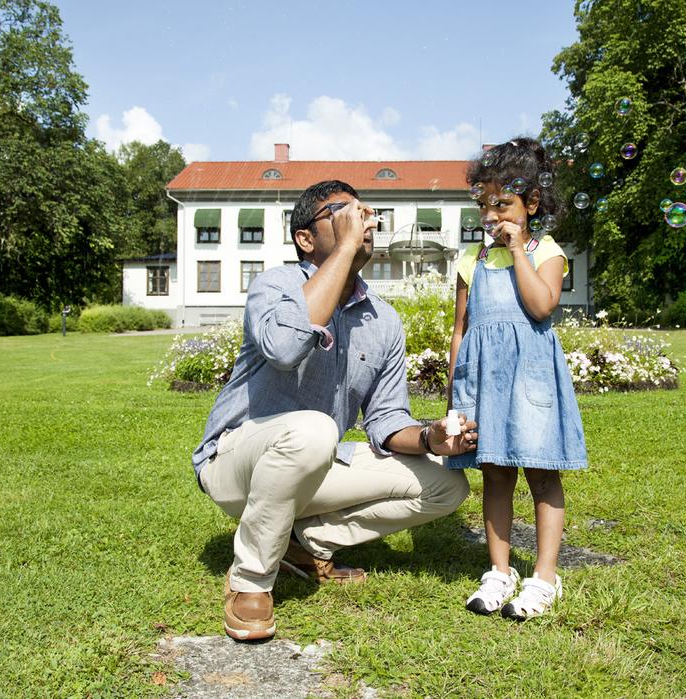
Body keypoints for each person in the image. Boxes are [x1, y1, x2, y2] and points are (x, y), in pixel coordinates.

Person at [193, 180, 476, 641]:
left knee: (445, 485)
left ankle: (306, 544)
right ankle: (250, 581)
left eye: (363, 214)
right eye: (342, 214)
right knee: (315, 430)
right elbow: (285, 347)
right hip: (234, 463)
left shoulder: (383, 319)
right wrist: (344, 251)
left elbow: (386, 420)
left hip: (314, 457)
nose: (361, 222)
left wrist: (430, 439)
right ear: (306, 238)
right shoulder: (276, 285)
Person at [447, 138, 588, 621]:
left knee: (542, 473)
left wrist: (517, 252)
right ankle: (499, 570)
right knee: (495, 470)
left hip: (530, 379)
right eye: (485, 204)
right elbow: (460, 329)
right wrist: (454, 394)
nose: (492, 213)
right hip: (484, 379)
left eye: (503, 203)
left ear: (530, 205)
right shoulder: (472, 261)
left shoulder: (545, 251)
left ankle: (545, 577)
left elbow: (542, 304)